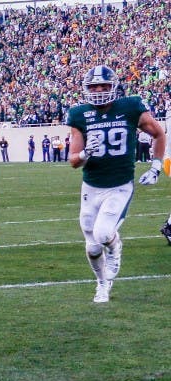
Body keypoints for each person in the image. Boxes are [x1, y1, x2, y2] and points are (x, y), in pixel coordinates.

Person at [67, 65, 166, 303]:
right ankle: (102, 285)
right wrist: (84, 155)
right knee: (92, 248)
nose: (99, 90)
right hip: (91, 187)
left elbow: (159, 134)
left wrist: (156, 166)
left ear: (114, 86)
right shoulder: (79, 114)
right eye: (94, 86)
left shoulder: (130, 107)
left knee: (103, 234)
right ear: (86, 89)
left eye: (103, 85)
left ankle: (115, 247)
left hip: (119, 185)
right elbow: (73, 161)